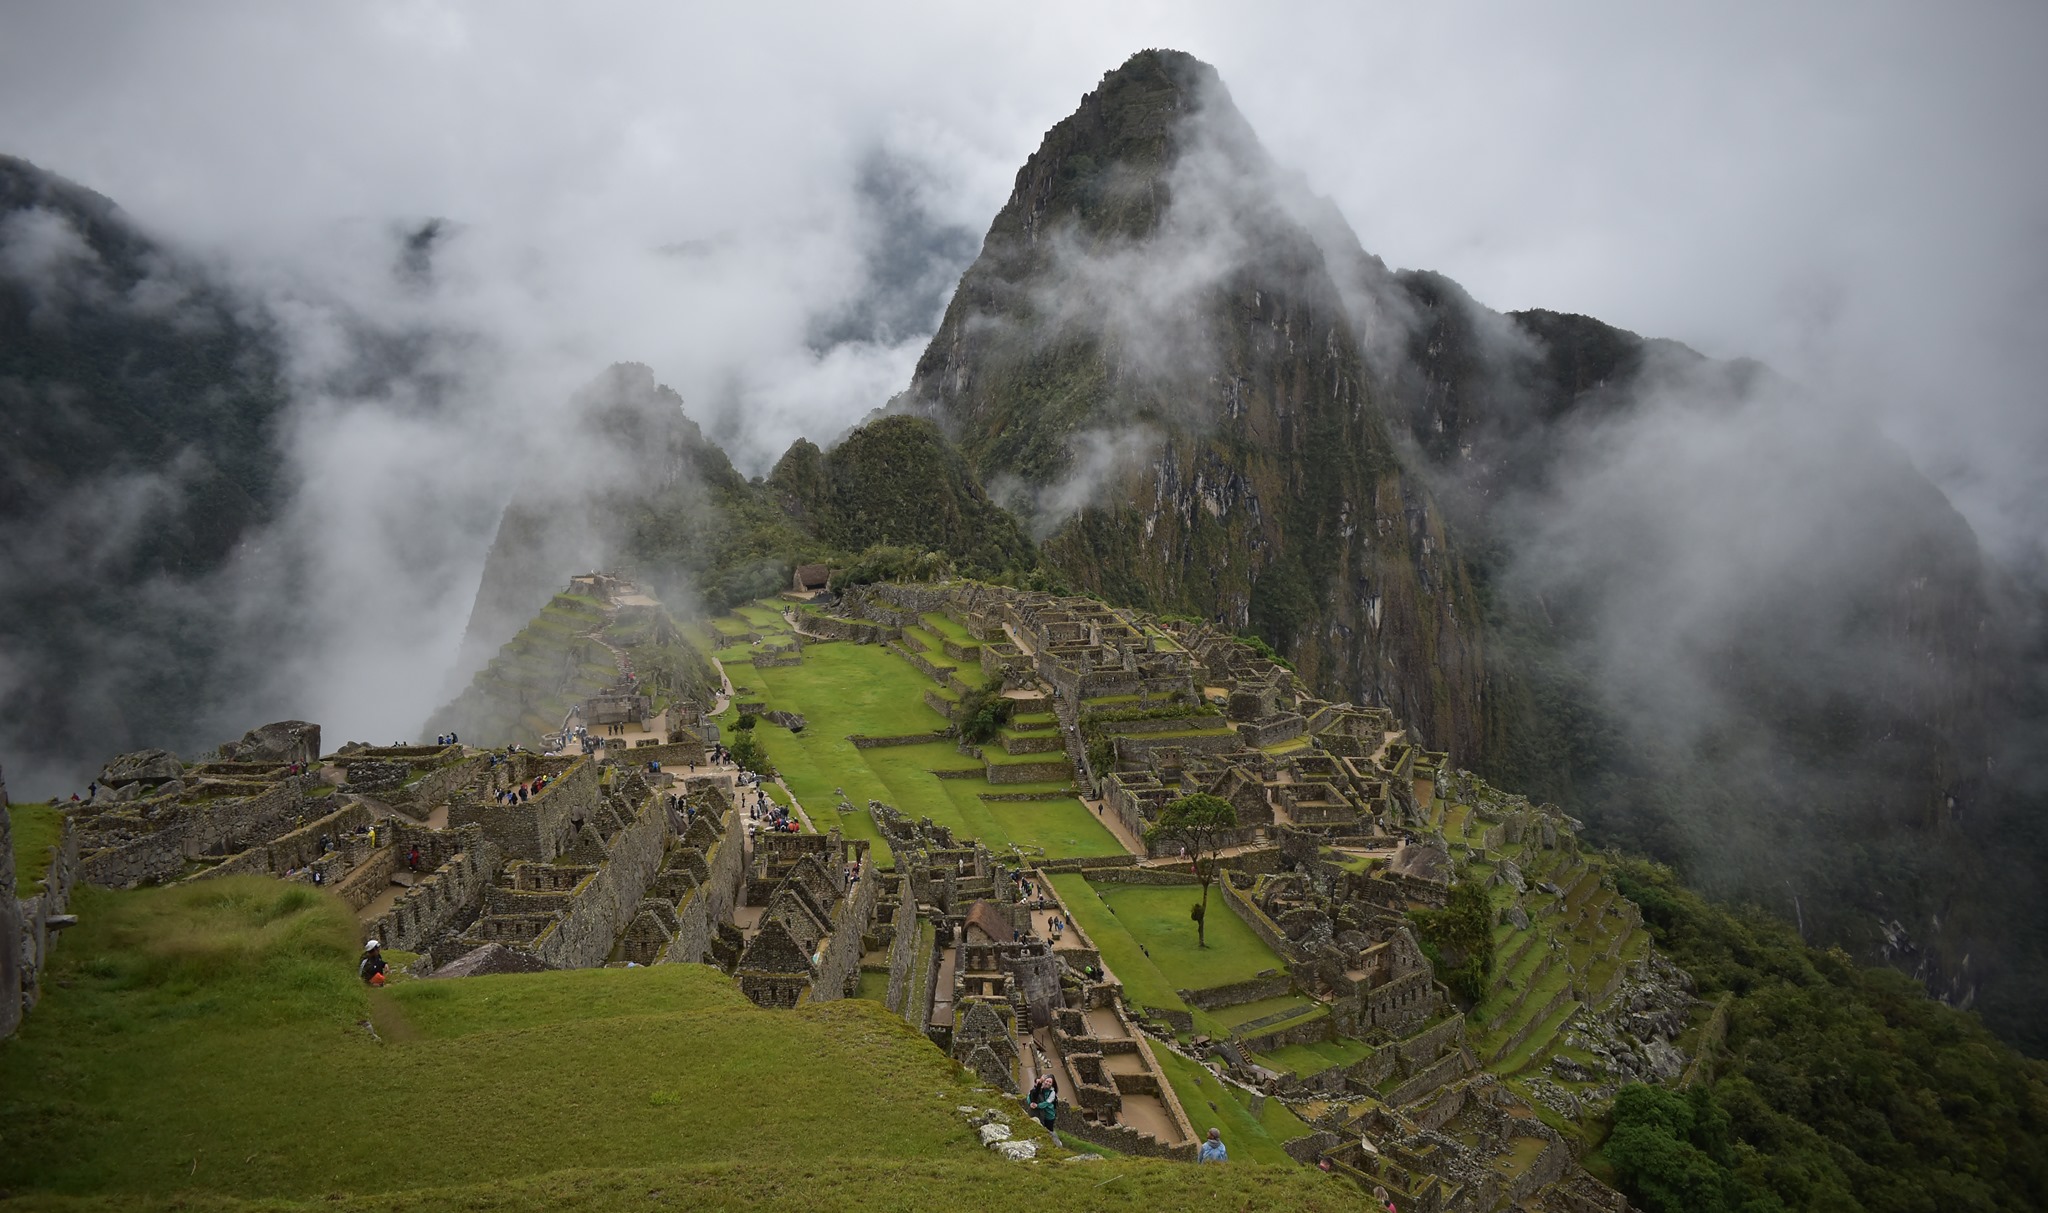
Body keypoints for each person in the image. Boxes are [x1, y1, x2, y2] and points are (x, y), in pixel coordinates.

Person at [1026, 1075, 1061, 1146]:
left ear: (1052, 1084)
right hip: (1041, 1114)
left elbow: (1047, 1103)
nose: (1048, 1083)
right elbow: (1030, 1095)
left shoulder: (1052, 1092)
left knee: (1049, 1131)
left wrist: (1037, 1106)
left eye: (1050, 1082)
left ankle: (1052, 1144)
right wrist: (1030, 1103)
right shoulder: (1040, 1088)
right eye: (1047, 1081)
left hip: (1049, 1115)